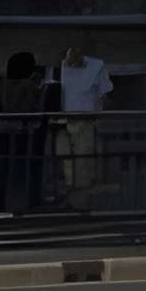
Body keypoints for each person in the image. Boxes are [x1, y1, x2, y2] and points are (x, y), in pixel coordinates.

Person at [0, 51, 49, 214]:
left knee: (2, 169)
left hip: (3, 131)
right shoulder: (29, 86)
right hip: (23, 132)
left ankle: (0, 205)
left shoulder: (1, 84)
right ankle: (27, 205)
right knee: (26, 169)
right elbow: (34, 108)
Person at [55, 41, 111, 200]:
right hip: (73, 118)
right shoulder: (87, 68)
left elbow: (103, 95)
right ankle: (75, 188)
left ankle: (79, 189)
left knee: (81, 156)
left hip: (82, 118)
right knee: (76, 156)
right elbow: (104, 95)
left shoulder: (94, 67)